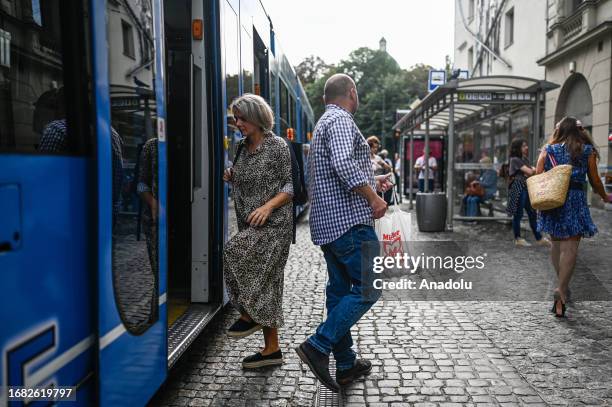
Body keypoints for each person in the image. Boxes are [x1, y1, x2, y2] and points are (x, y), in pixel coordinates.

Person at [296, 73, 391, 392]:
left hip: (330, 226)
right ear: (351, 92)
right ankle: (318, 345)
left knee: (339, 292)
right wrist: (373, 197)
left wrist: (373, 180)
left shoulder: (325, 121)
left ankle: (346, 363)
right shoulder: (341, 120)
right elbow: (342, 163)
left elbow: (334, 169)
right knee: (370, 287)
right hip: (349, 224)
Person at [222, 94, 294, 369]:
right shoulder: (239, 149)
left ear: (256, 117)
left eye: (241, 118)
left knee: (233, 251)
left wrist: (267, 207)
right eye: (235, 118)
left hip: (275, 225)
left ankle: (248, 314)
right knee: (269, 283)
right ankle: (272, 350)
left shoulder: (277, 146)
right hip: (249, 222)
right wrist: (231, 176)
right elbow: (243, 178)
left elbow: (289, 187)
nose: (237, 123)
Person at [536, 117, 610, 317]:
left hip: (554, 201)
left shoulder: (549, 150)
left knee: (557, 245)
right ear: (578, 132)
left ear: (559, 131)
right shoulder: (586, 151)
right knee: (571, 249)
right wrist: (604, 196)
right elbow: (595, 180)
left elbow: (538, 173)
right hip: (575, 201)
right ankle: (561, 289)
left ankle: (563, 286)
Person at [505, 138, 551, 247]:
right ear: (517, 148)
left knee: (532, 213)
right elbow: (531, 171)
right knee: (518, 214)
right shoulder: (515, 159)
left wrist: (530, 171)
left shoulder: (524, 159)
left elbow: (532, 172)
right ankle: (518, 239)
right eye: (523, 146)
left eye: (526, 145)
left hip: (525, 188)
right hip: (518, 188)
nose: (526, 147)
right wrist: (531, 171)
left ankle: (539, 238)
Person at [138, 138, 159, 277]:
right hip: (154, 223)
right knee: (158, 271)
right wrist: (153, 203)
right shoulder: (151, 146)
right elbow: (140, 185)